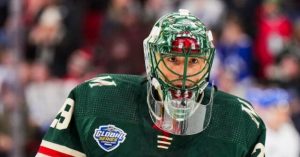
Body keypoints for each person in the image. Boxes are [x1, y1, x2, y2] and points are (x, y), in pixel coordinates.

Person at [35, 9, 266, 157]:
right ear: (152, 58)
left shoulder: (240, 122)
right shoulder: (96, 100)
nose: (182, 73)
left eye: (194, 60)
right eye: (172, 59)